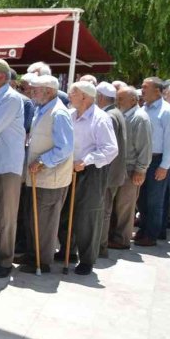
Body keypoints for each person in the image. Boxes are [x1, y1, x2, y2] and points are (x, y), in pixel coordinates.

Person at [57, 81, 118, 275]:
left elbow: (111, 149)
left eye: (72, 93)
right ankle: (68, 250)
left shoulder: (101, 118)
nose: (69, 96)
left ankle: (87, 259)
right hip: (69, 168)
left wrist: (87, 160)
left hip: (91, 171)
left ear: (84, 96)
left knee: (87, 216)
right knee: (66, 212)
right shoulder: (71, 114)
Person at [19, 75, 74, 274]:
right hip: (37, 177)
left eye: (36, 89)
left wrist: (42, 161)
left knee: (45, 222)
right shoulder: (41, 108)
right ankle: (33, 255)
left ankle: (42, 261)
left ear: (49, 91)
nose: (31, 92)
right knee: (33, 219)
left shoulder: (59, 113)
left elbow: (65, 147)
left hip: (51, 178)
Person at [0, 58, 26, 279]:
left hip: (7, 165)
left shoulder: (11, 99)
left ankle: (5, 259)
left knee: (6, 216)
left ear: (1, 76)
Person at [108, 86, 152, 249]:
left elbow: (145, 146)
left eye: (121, 99)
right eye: (117, 98)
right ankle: (114, 236)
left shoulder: (140, 118)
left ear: (133, 100)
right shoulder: (122, 115)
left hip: (131, 169)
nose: (117, 102)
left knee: (125, 206)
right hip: (120, 167)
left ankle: (122, 240)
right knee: (116, 205)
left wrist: (141, 170)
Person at [135, 77, 170, 246]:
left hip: (158, 160)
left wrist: (164, 166)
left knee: (155, 200)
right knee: (141, 198)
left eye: (146, 87)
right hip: (143, 159)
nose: (142, 90)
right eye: (142, 87)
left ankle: (151, 235)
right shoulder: (143, 108)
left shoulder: (168, 112)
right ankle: (143, 230)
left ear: (157, 91)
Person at [96, 82, 128, 259]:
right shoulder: (116, 113)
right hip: (114, 174)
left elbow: (108, 150)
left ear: (100, 97)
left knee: (103, 212)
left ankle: (100, 247)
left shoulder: (109, 115)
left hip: (108, 175)